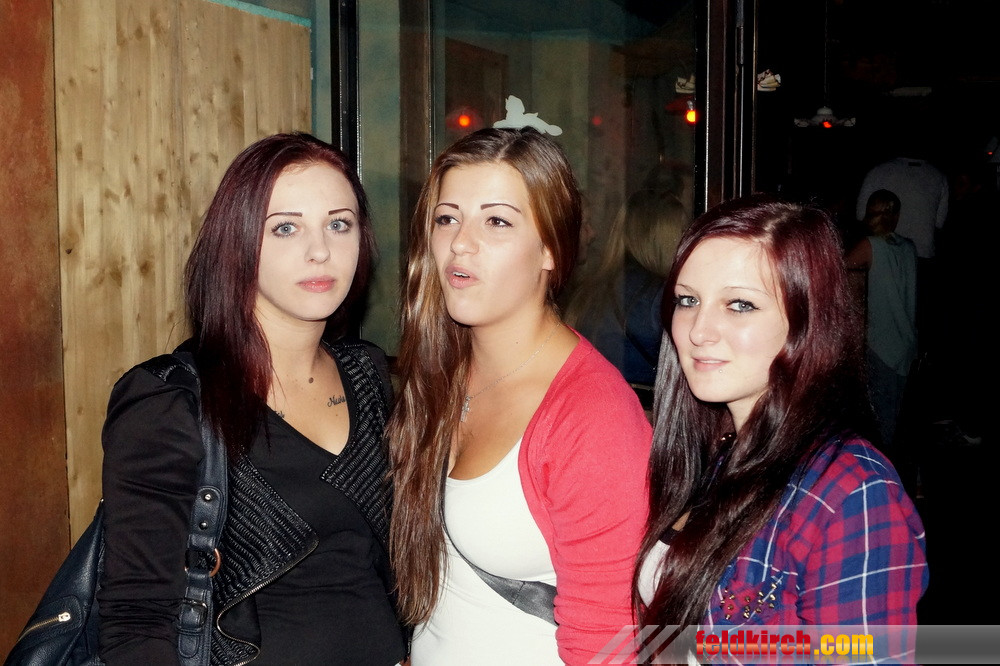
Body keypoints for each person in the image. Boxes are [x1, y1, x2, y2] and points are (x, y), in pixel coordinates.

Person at [97, 133, 406, 665]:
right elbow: (136, 621)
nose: (320, 250)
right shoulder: (171, 401)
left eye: (339, 223)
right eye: (285, 227)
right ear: (237, 244)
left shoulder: (370, 374)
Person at [389, 127, 652, 665]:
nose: (461, 243)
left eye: (497, 221)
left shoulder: (594, 416)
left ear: (550, 249)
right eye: (447, 218)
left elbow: (608, 644)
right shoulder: (442, 370)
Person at [636, 196, 927, 637]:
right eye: (688, 300)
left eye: (740, 305)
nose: (698, 330)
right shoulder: (711, 447)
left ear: (807, 322)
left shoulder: (853, 495)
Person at [566, 188, 688, 389]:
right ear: (664, 239)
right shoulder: (661, 296)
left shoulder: (588, 291)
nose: (689, 242)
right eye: (683, 231)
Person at [846, 189, 917, 450]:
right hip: (905, 340)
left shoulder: (869, 246)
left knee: (880, 420)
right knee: (894, 415)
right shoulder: (908, 248)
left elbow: (838, 274)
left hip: (880, 342)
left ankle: (878, 467)